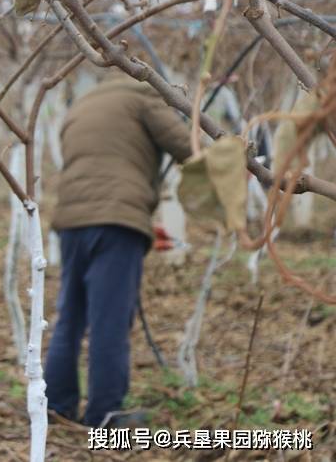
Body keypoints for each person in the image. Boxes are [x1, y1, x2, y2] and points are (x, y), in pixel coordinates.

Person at [45, 69, 192, 428]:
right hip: (116, 223)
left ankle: (56, 406)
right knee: (109, 321)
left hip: (72, 221)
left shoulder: (81, 105)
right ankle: (106, 416)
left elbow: (98, 164)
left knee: (71, 316)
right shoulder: (143, 97)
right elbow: (188, 148)